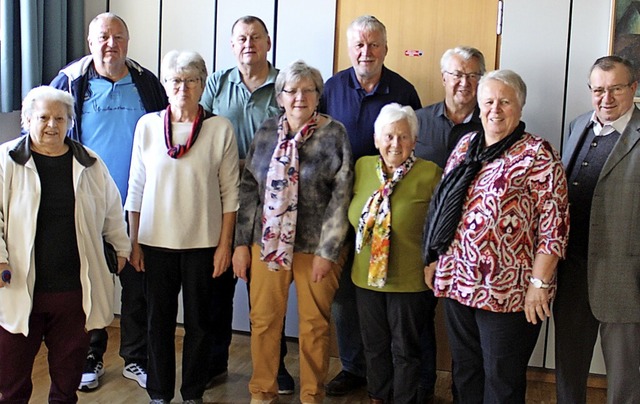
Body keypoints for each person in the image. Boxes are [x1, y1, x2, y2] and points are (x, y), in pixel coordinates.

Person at [423, 69, 569, 403]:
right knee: (465, 371)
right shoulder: (464, 147)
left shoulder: (537, 155)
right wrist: (434, 257)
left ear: (520, 107)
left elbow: (554, 227)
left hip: (510, 293)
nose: (495, 109)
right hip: (459, 284)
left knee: (502, 380)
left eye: (505, 101)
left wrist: (539, 286)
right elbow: (443, 203)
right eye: (488, 101)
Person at [50, 12, 167, 391]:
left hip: (138, 203)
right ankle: (91, 356)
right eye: (103, 37)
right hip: (88, 203)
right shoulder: (71, 81)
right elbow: (47, 130)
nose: (110, 44)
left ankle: (135, 358)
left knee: (137, 283)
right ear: (90, 42)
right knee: (91, 283)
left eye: (118, 37)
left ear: (127, 42)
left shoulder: (147, 82)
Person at [232, 60, 353, 404]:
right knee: (264, 320)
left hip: (315, 248)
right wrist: (241, 244)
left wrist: (328, 252)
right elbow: (249, 188)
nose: (300, 97)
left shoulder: (334, 134)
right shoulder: (267, 131)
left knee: (314, 326)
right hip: (266, 244)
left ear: (318, 95)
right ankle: (262, 390)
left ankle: (312, 394)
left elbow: (342, 196)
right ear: (280, 96)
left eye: (308, 90)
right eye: (292, 90)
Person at [0, 86, 130, 403]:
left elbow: (112, 211)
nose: (52, 125)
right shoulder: (6, 162)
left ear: (70, 122)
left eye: (60, 118)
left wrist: (121, 248)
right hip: (19, 287)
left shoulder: (90, 163)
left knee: (67, 377)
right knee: (11, 378)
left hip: (73, 290)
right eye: (43, 117)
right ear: (27, 120)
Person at [125, 50, 239, 404]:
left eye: (191, 80)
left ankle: (193, 393)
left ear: (203, 84)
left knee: (200, 325)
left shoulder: (219, 128)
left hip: (203, 245)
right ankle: (159, 393)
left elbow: (230, 193)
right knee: (157, 323)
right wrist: (134, 240)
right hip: (154, 243)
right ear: (165, 84)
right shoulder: (147, 126)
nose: (183, 88)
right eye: (175, 80)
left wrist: (225, 246)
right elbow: (136, 187)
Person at [319, 15, 421, 397]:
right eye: (359, 45)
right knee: (347, 295)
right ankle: (353, 367)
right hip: (344, 206)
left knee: (394, 294)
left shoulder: (403, 90)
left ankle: (405, 375)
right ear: (350, 49)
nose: (367, 52)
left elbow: (414, 144)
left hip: (394, 207)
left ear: (386, 49)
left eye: (374, 44)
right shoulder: (331, 88)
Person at [200, 15, 294, 394]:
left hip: (270, 200)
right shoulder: (217, 83)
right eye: (241, 38)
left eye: (256, 37)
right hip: (220, 195)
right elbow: (200, 127)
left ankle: (275, 366)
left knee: (266, 288)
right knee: (217, 282)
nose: (248, 43)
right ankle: (214, 360)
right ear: (232, 44)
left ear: (268, 42)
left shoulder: (285, 85)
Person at [554, 55, 640, 404]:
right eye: (598, 90)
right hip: (572, 273)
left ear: (633, 89)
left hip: (625, 277)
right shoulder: (577, 126)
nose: (606, 98)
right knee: (569, 370)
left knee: (625, 379)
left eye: (616, 89)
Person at [349, 103, 441, 403]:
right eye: (388, 136)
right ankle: (378, 396)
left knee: (406, 351)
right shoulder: (362, 167)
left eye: (403, 137)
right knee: (373, 345)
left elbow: (443, 226)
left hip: (411, 280)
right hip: (365, 278)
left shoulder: (430, 173)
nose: (395, 144)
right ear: (376, 139)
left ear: (414, 141)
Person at [415, 46, 485, 168]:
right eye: (457, 75)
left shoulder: (489, 125)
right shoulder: (418, 120)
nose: (464, 83)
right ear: (444, 78)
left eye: (472, 76)